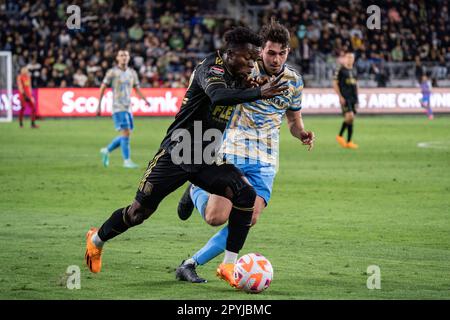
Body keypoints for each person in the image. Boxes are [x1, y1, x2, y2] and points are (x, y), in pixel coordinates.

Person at [84, 27, 288, 287]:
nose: (252, 64)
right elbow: (218, 95)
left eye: (254, 59)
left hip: (206, 157)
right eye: (247, 58)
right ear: (229, 53)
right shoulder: (210, 68)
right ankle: (96, 240)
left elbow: (236, 89)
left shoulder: (239, 74)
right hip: (177, 153)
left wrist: (250, 83)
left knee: (246, 196)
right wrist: (258, 92)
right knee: (137, 214)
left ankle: (228, 265)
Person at [175, 20, 315, 285]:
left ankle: (191, 263)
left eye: (282, 53)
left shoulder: (294, 81)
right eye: (271, 52)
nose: (276, 59)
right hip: (235, 149)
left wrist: (302, 134)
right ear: (261, 50)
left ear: (288, 52)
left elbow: (294, 122)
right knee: (216, 218)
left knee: (248, 218)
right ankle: (195, 189)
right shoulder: (244, 70)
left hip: (266, 159)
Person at [97, 49, 151, 169]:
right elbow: (102, 87)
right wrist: (99, 105)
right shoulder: (112, 72)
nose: (124, 57)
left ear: (129, 58)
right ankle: (126, 161)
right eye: (121, 55)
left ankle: (106, 150)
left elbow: (136, 89)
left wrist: (145, 100)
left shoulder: (132, 73)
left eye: (126, 55)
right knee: (125, 132)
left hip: (128, 107)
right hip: (118, 107)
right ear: (117, 58)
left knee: (126, 134)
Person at [333, 52, 359, 149]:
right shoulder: (340, 70)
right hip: (345, 97)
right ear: (345, 59)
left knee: (351, 119)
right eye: (348, 57)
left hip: (353, 97)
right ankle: (339, 136)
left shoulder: (354, 70)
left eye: (351, 57)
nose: (349, 59)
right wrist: (340, 96)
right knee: (350, 116)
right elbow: (335, 83)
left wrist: (357, 99)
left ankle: (348, 142)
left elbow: (356, 85)